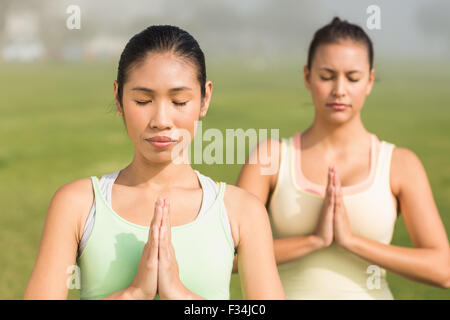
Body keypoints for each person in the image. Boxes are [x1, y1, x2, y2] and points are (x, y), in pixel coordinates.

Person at [24, 25, 285, 300]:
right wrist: (134, 293)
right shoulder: (78, 205)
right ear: (118, 97)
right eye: (143, 100)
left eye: (179, 101)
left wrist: (181, 296)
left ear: (205, 98)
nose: (161, 120)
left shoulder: (242, 211)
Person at [235, 17, 450, 299]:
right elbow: (228, 256)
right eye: (326, 76)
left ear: (370, 80)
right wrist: (313, 241)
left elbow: (443, 269)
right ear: (307, 76)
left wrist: (351, 241)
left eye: (353, 77)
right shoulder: (271, 157)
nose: (339, 90)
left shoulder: (399, 164)